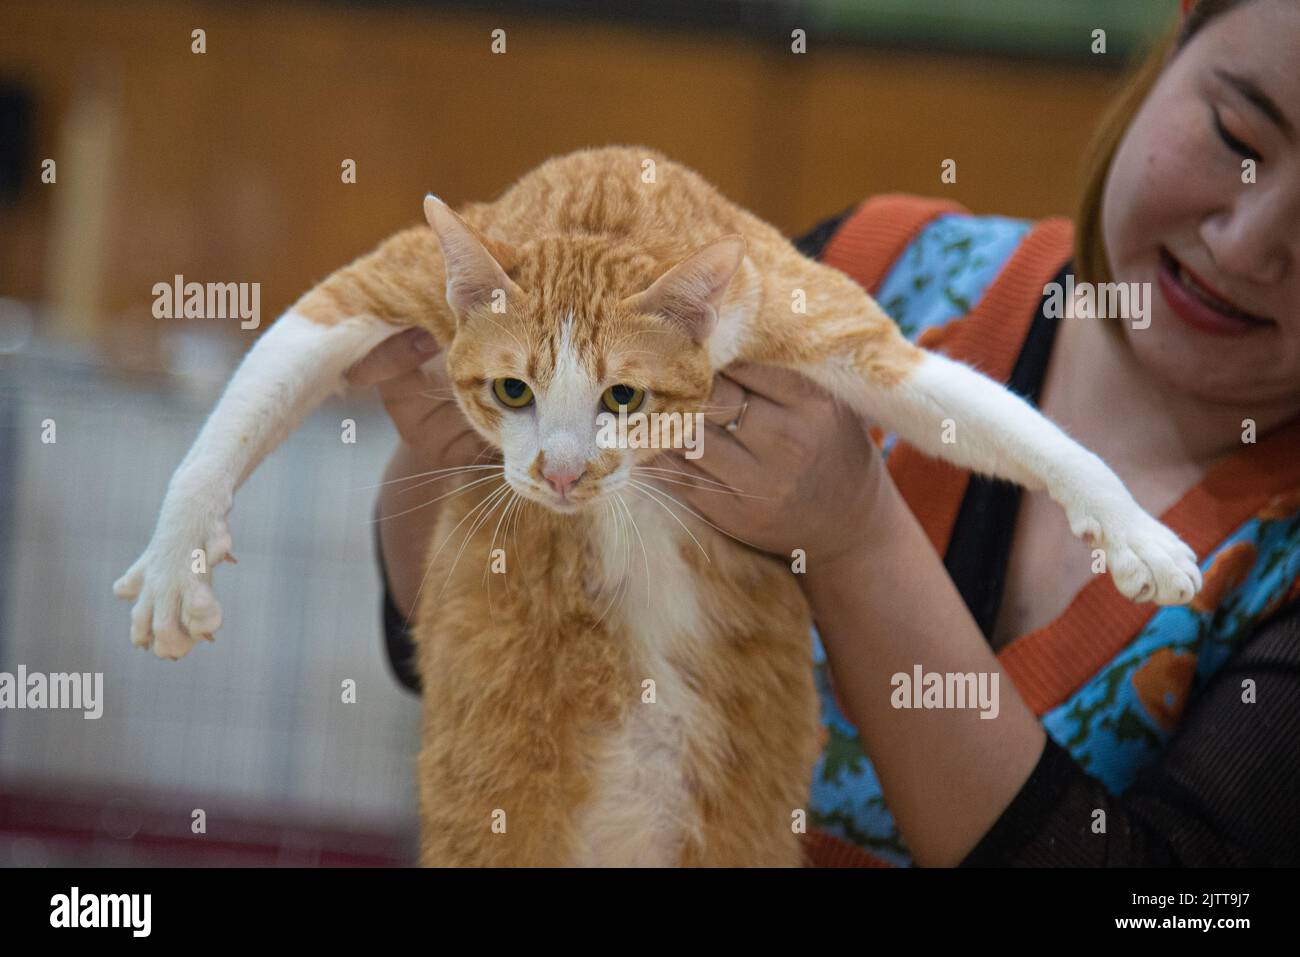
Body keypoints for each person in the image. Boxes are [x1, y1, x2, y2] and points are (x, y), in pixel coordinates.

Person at [347, 0, 1300, 866]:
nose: (1249, 241)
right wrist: (457, 442)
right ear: (1172, 47)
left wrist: (857, 541)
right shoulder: (870, 270)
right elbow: (432, 640)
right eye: (1235, 133)